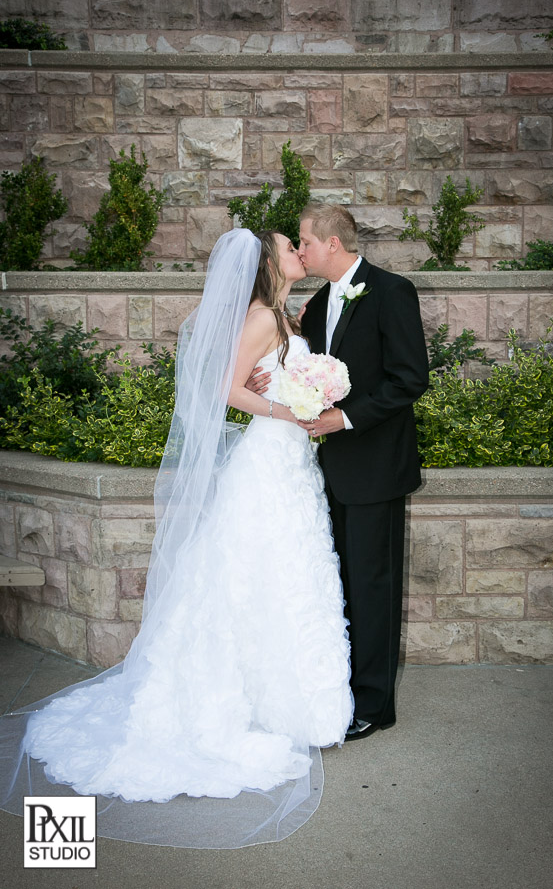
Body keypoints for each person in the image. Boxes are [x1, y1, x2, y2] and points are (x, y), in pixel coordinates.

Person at [0, 228, 353, 849]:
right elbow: (226, 389)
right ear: (269, 264)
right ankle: (262, 704)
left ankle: (298, 701)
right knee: (257, 577)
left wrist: (307, 392)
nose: (300, 253)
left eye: (301, 245)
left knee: (290, 577)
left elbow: (259, 380)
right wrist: (290, 410)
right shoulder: (262, 317)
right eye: (288, 247)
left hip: (288, 464)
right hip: (270, 460)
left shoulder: (283, 314)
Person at [250, 204, 429, 741]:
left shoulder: (392, 291)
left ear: (331, 243)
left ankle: (374, 705)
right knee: (341, 585)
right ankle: (339, 690)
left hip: (374, 467)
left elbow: (408, 379)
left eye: (304, 241)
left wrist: (342, 418)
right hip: (321, 470)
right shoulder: (320, 300)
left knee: (373, 586)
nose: (300, 251)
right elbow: (304, 371)